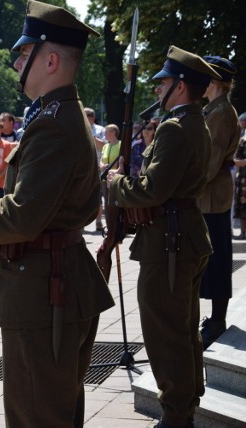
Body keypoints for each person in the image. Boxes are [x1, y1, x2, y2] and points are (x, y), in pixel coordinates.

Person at [0, 2, 114, 425]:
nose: (18, 62)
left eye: (25, 54)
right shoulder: (54, 115)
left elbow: (23, 215)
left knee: (37, 415)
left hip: (44, 292)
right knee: (49, 410)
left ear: (51, 60)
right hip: (45, 284)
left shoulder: (54, 122)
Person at [107, 45, 220, 427]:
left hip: (169, 240)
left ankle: (176, 414)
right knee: (184, 329)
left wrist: (117, 183)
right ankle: (184, 404)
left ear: (182, 86)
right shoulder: (196, 122)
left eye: (164, 82)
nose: (157, 89)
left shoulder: (174, 126)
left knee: (165, 332)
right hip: (184, 235)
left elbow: (152, 190)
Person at [198, 56, 240, 350]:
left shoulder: (221, 112)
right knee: (212, 259)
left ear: (213, 81)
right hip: (209, 196)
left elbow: (210, 163)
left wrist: (188, 186)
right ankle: (214, 317)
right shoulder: (214, 109)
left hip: (211, 197)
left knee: (218, 259)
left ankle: (217, 320)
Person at [85, 107, 106, 230]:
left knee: (97, 196)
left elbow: (105, 145)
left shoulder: (100, 130)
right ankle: (80, 224)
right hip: (83, 166)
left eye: (86, 114)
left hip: (97, 166)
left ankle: (98, 221)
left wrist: (91, 137)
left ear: (92, 117)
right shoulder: (78, 128)